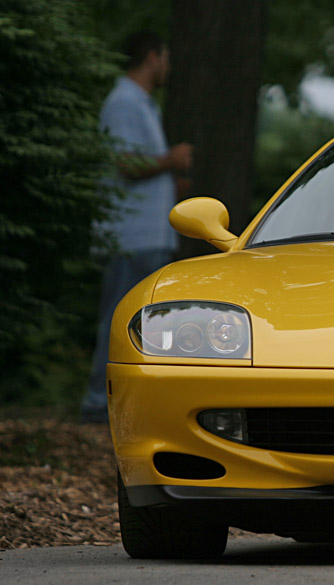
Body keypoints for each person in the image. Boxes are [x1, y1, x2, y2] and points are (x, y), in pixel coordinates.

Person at [80, 31, 193, 423]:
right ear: (151, 57)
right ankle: (97, 403)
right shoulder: (125, 102)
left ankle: (133, 406)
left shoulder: (139, 102)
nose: (168, 66)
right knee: (120, 318)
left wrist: (167, 181)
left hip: (148, 234)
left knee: (145, 322)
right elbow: (126, 164)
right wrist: (171, 161)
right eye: (166, 57)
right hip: (132, 234)